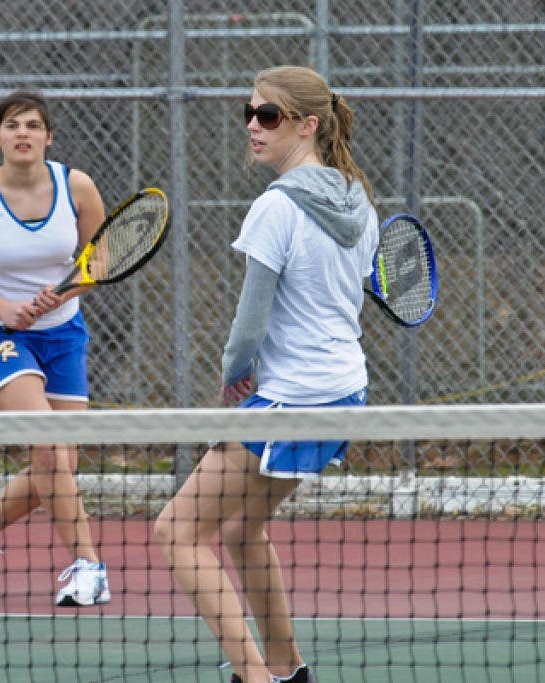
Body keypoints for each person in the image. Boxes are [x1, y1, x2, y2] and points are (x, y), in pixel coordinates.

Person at [154, 66, 380, 683]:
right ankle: (286, 671)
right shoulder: (359, 200)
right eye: (249, 112)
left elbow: (248, 324)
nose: (253, 126)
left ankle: (252, 677)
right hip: (345, 392)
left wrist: (234, 372)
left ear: (307, 125)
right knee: (240, 529)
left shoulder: (275, 207)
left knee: (176, 531)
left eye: (269, 115)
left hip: (294, 397)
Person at [0, 90, 111, 607]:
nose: (23, 134)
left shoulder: (77, 187)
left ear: (48, 136)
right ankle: (90, 566)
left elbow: (101, 260)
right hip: (0, 336)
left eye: (33, 125)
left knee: (60, 464)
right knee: (49, 448)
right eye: (12, 126)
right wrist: (4, 308)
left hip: (64, 334)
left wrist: (64, 293)